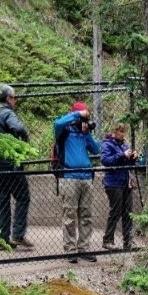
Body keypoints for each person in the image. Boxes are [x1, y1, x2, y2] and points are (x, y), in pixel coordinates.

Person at [53, 102, 102, 261]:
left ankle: (84, 248)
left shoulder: (83, 132)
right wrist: (78, 115)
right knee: (70, 215)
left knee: (86, 215)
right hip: (69, 177)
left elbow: (96, 150)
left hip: (86, 177)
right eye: (81, 115)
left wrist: (87, 133)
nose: (83, 119)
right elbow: (57, 123)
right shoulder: (64, 130)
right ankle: (70, 250)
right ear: (73, 114)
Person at [0, 85, 33, 249]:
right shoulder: (7, 113)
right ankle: (18, 235)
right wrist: (25, 140)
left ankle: (2, 239)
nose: (16, 100)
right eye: (14, 97)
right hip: (10, 165)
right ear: (7, 98)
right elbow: (19, 128)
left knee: (2, 201)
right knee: (23, 197)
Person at [100, 124, 137, 250]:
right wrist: (122, 155)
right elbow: (105, 161)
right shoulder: (107, 144)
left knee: (128, 213)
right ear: (114, 131)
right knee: (115, 212)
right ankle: (108, 240)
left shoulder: (124, 145)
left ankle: (128, 242)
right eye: (121, 131)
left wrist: (132, 158)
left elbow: (127, 164)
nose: (123, 134)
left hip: (125, 183)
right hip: (113, 183)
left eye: (124, 131)